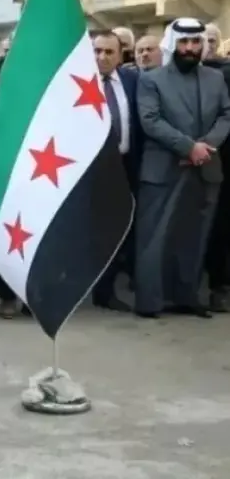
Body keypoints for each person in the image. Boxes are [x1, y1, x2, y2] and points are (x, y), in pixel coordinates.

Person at [134, 18, 230, 319]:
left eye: (195, 42)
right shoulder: (152, 79)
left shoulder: (216, 78)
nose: (190, 48)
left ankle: (187, 297)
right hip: (164, 168)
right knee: (155, 237)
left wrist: (206, 146)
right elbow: (150, 120)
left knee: (194, 236)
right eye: (184, 42)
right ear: (173, 44)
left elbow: (226, 115)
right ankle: (151, 302)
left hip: (205, 168)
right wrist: (189, 147)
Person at [90, 30, 141, 312]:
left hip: (124, 165)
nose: (102, 57)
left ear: (120, 55)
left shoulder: (133, 81)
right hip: (88, 168)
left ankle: (105, 291)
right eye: (97, 51)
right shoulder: (75, 81)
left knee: (116, 230)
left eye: (109, 52)